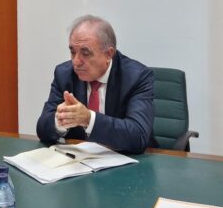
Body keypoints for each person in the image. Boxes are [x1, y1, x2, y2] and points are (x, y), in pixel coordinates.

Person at [36, 15, 156, 154]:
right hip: (80, 163)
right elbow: (42, 128)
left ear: (108, 54)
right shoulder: (65, 74)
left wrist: (89, 119)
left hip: (130, 162)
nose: (76, 61)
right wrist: (60, 120)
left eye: (85, 53)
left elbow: (138, 136)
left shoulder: (136, 77)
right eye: (73, 52)